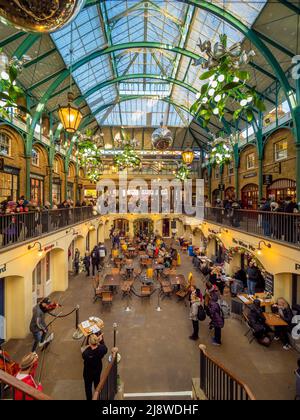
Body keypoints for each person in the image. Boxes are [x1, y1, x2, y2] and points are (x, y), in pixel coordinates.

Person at [82, 334, 108, 400]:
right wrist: (101, 341)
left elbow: (83, 354)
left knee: (88, 388)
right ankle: (98, 397)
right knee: (97, 384)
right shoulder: (101, 349)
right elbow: (105, 348)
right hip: (97, 370)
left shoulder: (86, 353)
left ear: (90, 342)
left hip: (88, 372)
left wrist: (88, 346)